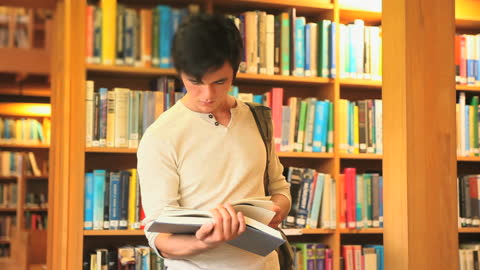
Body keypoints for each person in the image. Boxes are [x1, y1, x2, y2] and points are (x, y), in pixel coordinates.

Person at [137, 13, 291, 270]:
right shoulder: (160, 136)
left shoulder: (258, 118)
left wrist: (278, 209)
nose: (207, 95)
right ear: (180, 72)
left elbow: (280, 188)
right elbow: (159, 238)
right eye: (195, 82)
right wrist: (207, 241)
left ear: (236, 70)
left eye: (220, 82)